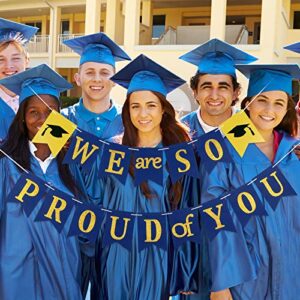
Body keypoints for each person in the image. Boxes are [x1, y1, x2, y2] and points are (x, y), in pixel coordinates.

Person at [82, 54, 198, 299]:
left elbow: (188, 213)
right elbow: (95, 203)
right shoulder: (112, 152)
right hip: (116, 255)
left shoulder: (180, 156)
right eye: (135, 106)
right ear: (127, 110)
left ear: (164, 110)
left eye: (151, 105)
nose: (142, 113)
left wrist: (185, 269)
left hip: (159, 256)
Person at [201, 64, 300, 300]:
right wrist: (220, 284)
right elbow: (215, 219)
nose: (269, 110)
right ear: (248, 103)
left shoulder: (292, 153)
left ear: (286, 108)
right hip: (244, 275)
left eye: (278, 103)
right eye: (262, 100)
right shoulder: (223, 150)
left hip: (291, 272)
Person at [173, 38, 257, 300]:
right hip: (192, 253)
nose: (215, 94)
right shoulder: (178, 135)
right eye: (206, 86)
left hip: (245, 252)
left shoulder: (253, 134)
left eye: (223, 87)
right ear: (195, 91)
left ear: (235, 93)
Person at [0, 64, 83, 300]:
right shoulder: (7, 166)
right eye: (33, 112)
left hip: (64, 271)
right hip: (16, 275)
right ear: (23, 119)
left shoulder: (72, 164)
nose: (42, 119)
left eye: (49, 111)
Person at [61, 32, 131, 139]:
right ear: (78, 79)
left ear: (115, 80)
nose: (97, 79)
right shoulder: (62, 118)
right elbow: (42, 155)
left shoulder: (129, 120)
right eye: (90, 72)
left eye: (104, 73)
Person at [0, 17, 38, 141]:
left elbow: (61, 147)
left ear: (27, 61)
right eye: (1, 60)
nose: (9, 66)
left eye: (16, 58)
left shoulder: (41, 100)